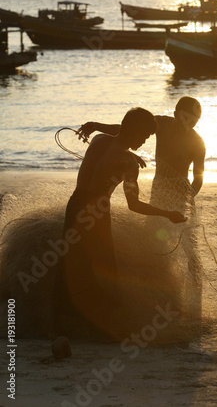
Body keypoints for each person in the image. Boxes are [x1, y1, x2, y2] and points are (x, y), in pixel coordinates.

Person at [52, 107, 186, 338]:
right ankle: (103, 329)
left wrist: (102, 128)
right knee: (105, 268)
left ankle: (61, 326)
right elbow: (134, 205)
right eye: (144, 137)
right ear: (135, 132)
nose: (144, 142)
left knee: (72, 262)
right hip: (95, 215)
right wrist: (168, 214)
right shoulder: (128, 163)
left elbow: (118, 133)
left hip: (75, 207)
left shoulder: (98, 140)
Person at [77, 96, 206, 203]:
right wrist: (96, 126)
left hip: (181, 194)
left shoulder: (197, 143)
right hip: (158, 188)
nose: (186, 127)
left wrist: (189, 197)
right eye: (185, 120)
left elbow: (198, 179)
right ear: (176, 114)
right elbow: (127, 130)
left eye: (193, 122)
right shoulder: (162, 124)